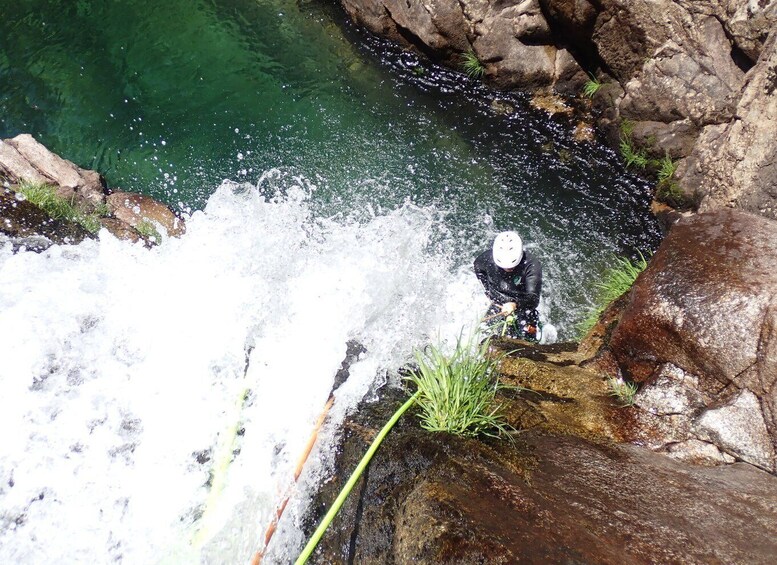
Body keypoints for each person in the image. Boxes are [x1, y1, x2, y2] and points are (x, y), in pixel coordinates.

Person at [474, 231, 543, 340]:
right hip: (498, 303)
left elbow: (533, 298)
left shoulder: (531, 265)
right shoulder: (486, 259)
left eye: (512, 266)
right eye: (503, 266)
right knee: (485, 336)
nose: (508, 269)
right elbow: (478, 268)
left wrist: (515, 304)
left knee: (527, 341)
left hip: (524, 305)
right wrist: (488, 290)